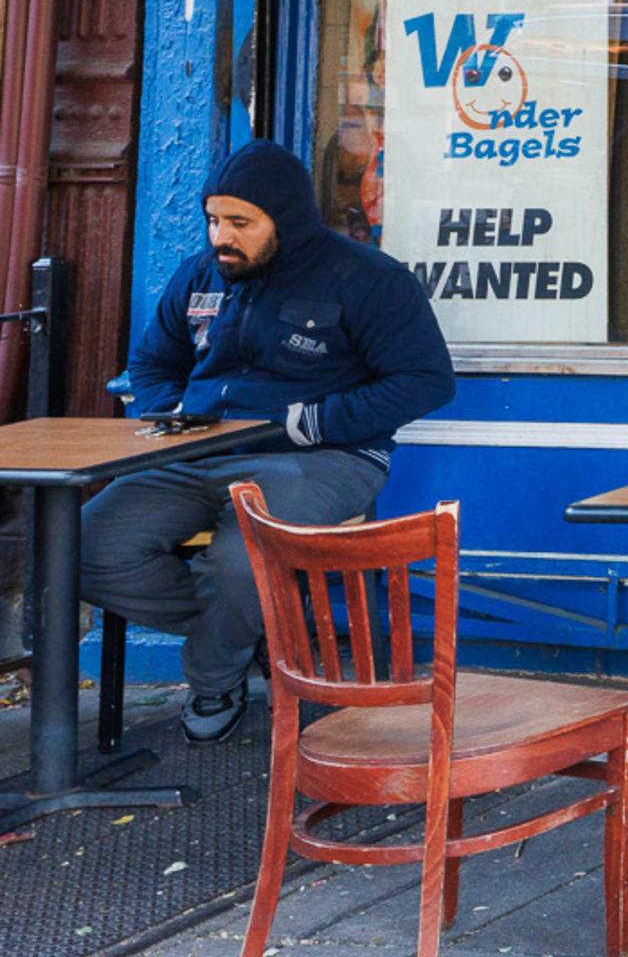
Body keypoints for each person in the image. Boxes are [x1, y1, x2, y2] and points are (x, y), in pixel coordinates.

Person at [83, 139, 457, 742]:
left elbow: (428, 382)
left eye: (240, 223)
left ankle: (213, 677)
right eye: (213, 221)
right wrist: (169, 415)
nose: (220, 237)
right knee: (83, 543)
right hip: (195, 454)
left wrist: (318, 420)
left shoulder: (367, 278)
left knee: (244, 558)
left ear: (284, 220)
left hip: (323, 459)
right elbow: (151, 363)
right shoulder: (202, 274)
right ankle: (254, 628)